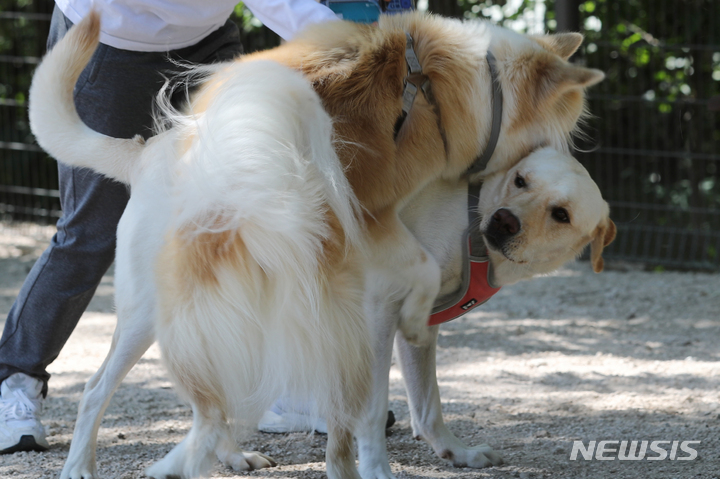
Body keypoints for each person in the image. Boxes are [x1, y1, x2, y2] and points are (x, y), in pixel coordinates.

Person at [0, 0, 340, 454]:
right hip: (107, 36)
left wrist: (351, 40)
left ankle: (270, 389)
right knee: (91, 232)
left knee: (244, 223)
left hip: (205, 39)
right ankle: (16, 382)